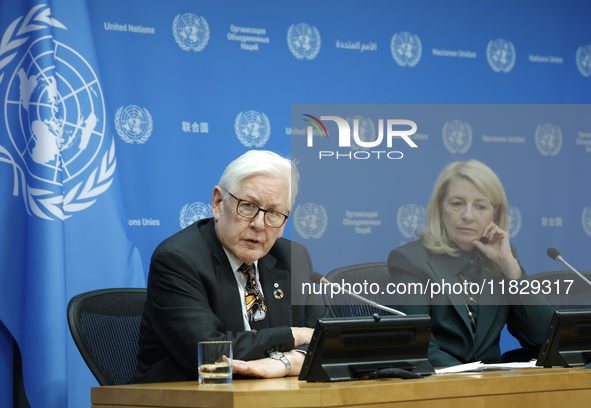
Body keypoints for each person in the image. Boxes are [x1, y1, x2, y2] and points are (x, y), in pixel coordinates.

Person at [134, 150, 329, 383]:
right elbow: (211, 354)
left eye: (274, 213)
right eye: (248, 206)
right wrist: (295, 335)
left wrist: (288, 363)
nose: (259, 224)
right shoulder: (178, 260)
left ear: (284, 222)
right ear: (218, 203)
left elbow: (328, 342)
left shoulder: (293, 257)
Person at [387, 159, 554, 368]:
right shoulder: (411, 260)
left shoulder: (503, 257)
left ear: (494, 214)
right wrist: (473, 381)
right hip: (437, 389)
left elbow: (543, 338)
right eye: (457, 204)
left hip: (493, 391)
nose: (468, 216)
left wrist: (512, 270)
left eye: (480, 206)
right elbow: (414, 345)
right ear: (440, 209)